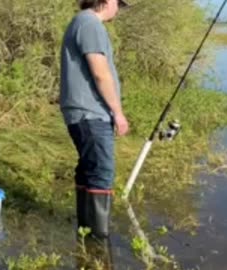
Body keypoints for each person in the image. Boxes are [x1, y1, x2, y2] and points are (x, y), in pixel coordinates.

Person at [59, 0, 130, 243]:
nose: (118, 10)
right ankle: (99, 240)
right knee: (101, 172)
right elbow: (100, 73)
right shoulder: (90, 24)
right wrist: (118, 113)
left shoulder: (82, 22)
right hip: (90, 114)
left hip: (84, 114)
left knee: (89, 171)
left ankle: (86, 233)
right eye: (119, 4)